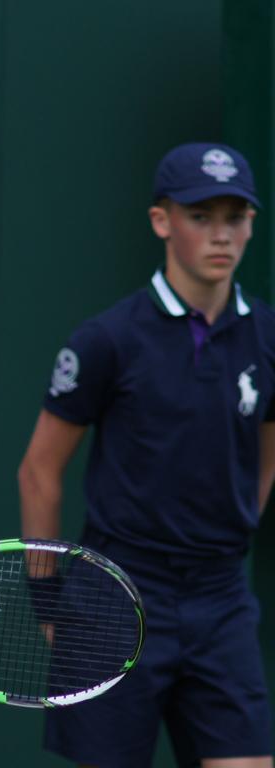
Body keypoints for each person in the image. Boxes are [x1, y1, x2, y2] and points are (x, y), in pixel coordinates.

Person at [18, 142, 274, 768]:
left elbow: (265, 452)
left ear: (252, 224)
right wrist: (48, 602)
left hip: (222, 600)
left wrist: (229, 531)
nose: (221, 234)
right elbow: (39, 472)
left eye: (235, 217)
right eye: (200, 215)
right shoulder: (109, 338)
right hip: (116, 595)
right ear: (162, 221)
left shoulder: (267, 336)